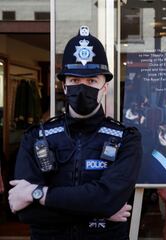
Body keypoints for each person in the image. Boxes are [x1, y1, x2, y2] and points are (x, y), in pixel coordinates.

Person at [8, 26, 142, 239]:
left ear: (104, 87)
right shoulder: (36, 137)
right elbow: (26, 212)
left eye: (91, 81)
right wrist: (100, 214)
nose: (82, 88)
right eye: (74, 80)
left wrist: (38, 194)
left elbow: (107, 199)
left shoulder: (126, 138)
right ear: (64, 86)